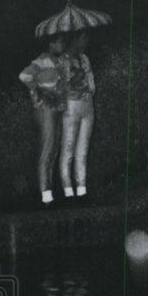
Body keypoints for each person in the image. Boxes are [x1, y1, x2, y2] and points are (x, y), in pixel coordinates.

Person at [18, 33, 67, 204]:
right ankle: (45, 195)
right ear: (51, 44)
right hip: (44, 110)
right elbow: (24, 76)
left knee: (54, 150)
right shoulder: (42, 60)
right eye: (60, 42)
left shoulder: (59, 62)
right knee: (47, 150)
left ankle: (49, 194)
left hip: (57, 109)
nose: (63, 45)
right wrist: (40, 90)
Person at [58, 30, 96, 200]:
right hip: (71, 107)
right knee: (68, 150)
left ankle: (81, 190)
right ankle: (67, 191)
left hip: (87, 105)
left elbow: (92, 86)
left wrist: (87, 81)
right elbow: (60, 89)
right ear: (75, 39)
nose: (86, 42)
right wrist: (75, 80)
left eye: (87, 39)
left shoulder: (85, 58)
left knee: (82, 151)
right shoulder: (62, 60)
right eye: (83, 38)